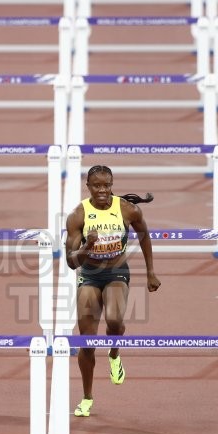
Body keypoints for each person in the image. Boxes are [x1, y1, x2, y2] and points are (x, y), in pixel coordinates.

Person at [65, 165, 161, 419]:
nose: (102, 191)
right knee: (86, 341)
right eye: (97, 186)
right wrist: (88, 247)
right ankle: (87, 397)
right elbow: (70, 261)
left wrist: (151, 272)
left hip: (117, 271)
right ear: (88, 187)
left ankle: (114, 353)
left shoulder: (128, 209)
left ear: (112, 185)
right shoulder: (78, 215)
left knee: (115, 321)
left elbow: (144, 236)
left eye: (107, 185)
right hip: (88, 274)